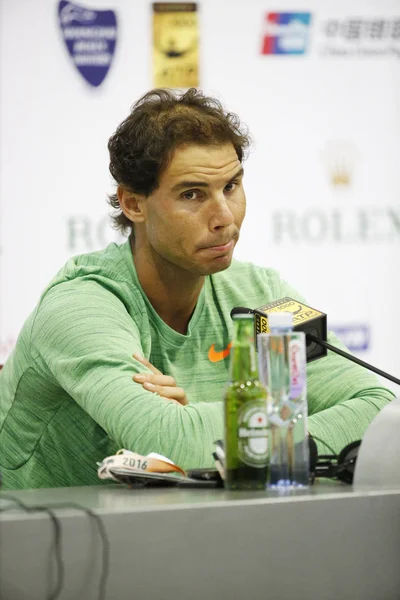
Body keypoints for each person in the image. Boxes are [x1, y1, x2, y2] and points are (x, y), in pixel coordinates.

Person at [0, 89, 394, 490]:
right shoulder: (80, 304)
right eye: (192, 194)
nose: (224, 217)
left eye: (232, 186)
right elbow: (170, 441)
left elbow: (379, 408)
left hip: (181, 530)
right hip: (38, 538)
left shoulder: (262, 292)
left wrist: (214, 427)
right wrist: (256, 429)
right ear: (133, 204)